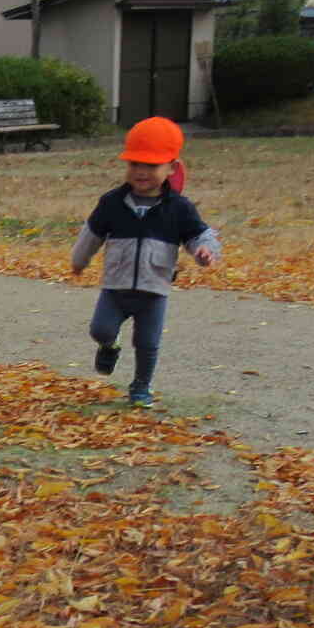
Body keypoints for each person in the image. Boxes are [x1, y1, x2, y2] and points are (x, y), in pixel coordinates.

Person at [68, 115, 221, 409]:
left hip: (154, 291)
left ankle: (140, 386)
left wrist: (204, 251)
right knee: (100, 329)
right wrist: (79, 261)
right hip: (115, 289)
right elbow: (92, 235)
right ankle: (109, 347)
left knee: (148, 344)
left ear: (172, 168)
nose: (141, 172)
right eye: (134, 164)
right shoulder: (112, 202)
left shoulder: (178, 208)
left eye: (151, 166)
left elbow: (200, 235)